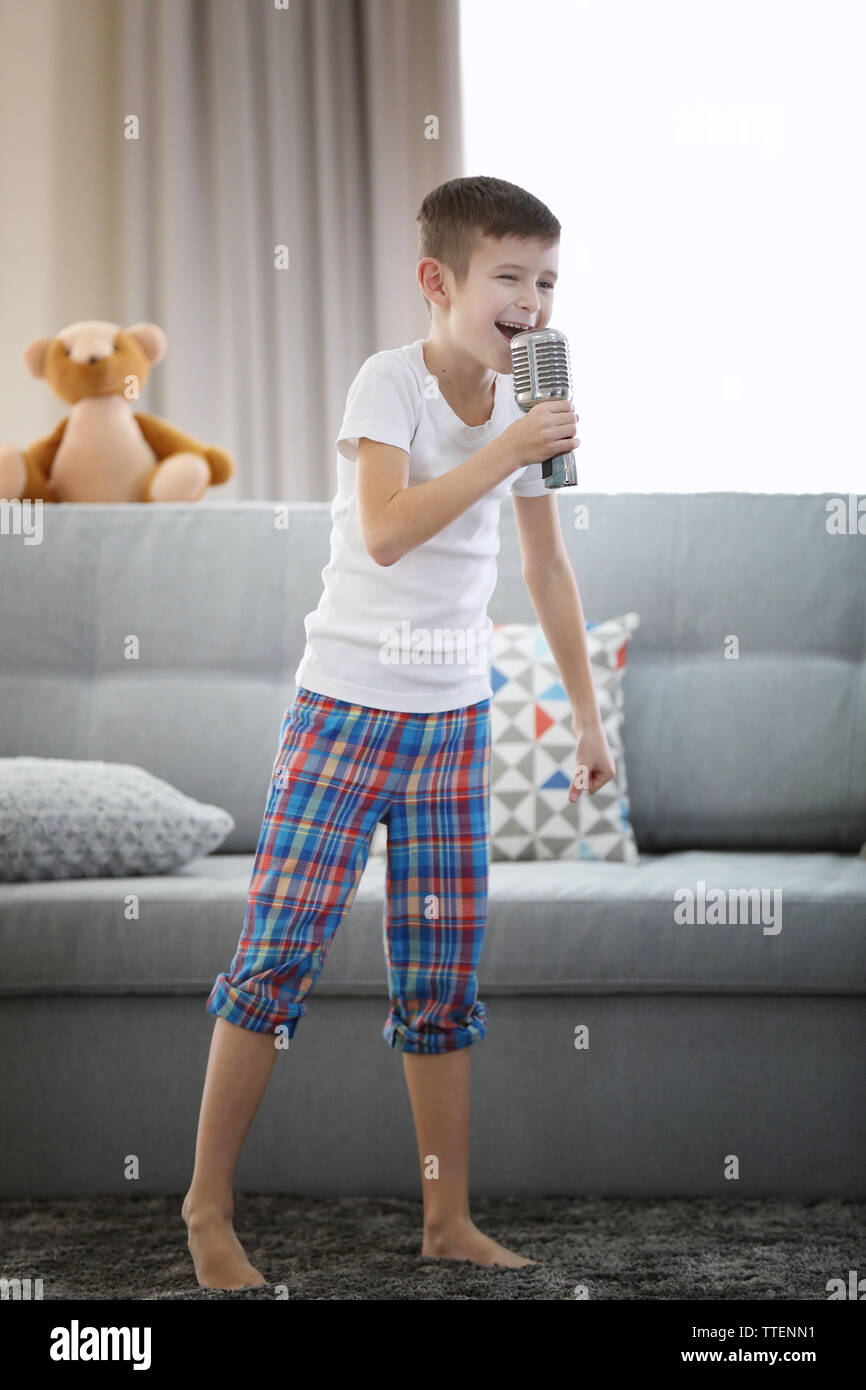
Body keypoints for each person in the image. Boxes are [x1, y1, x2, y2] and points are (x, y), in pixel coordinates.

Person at [182, 174, 615, 1289]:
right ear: (439, 282)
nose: (531, 300)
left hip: (450, 727)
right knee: (274, 960)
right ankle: (205, 1210)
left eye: (547, 281)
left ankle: (444, 1221)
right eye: (508, 278)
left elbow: (544, 566)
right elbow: (384, 532)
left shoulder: (522, 411)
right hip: (342, 711)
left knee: (438, 982)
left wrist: (584, 715)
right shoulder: (390, 385)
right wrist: (505, 451)